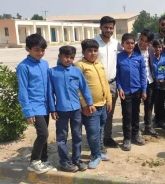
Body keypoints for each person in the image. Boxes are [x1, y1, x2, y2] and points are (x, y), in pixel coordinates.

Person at [48, 46, 94, 172]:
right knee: (62, 136)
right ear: (59, 57)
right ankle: (64, 161)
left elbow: (84, 88)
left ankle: (76, 159)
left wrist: (90, 103)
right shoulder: (52, 72)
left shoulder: (76, 71)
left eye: (71, 58)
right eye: (66, 57)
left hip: (76, 109)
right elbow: (50, 93)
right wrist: (52, 109)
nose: (68, 60)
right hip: (61, 109)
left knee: (77, 135)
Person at [16, 34, 56, 174]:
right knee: (43, 134)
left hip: (44, 106)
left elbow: (49, 87)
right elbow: (23, 90)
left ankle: (43, 160)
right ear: (28, 49)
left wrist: (52, 107)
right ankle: (34, 162)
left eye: (42, 50)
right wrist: (28, 111)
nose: (40, 53)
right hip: (34, 107)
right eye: (36, 50)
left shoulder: (44, 64)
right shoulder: (23, 67)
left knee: (44, 135)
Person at [75, 39, 112, 169]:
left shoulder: (99, 64)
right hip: (91, 107)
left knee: (101, 129)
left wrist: (109, 100)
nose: (93, 53)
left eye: (95, 50)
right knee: (93, 132)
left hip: (102, 105)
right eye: (89, 51)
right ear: (83, 52)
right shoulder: (79, 66)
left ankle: (99, 152)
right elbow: (77, 88)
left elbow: (105, 84)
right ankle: (95, 155)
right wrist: (84, 104)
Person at [116, 33, 147, 151]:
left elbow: (143, 76)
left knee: (136, 114)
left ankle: (135, 135)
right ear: (123, 44)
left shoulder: (138, 58)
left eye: (132, 43)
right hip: (125, 91)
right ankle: (127, 138)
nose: (130, 45)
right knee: (127, 115)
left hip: (137, 90)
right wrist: (120, 88)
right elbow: (117, 75)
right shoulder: (119, 57)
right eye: (127, 43)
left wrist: (143, 90)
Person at [94, 16, 121, 149]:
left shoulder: (116, 44)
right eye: (106, 27)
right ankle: (96, 140)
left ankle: (107, 137)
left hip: (112, 83)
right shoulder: (94, 43)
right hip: (97, 85)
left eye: (111, 28)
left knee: (109, 112)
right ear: (101, 27)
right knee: (97, 113)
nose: (108, 30)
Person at [134, 29, 164, 134]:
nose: (142, 42)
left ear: (150, 43)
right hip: (137, 83)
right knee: (136, 106)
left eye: (146, 41)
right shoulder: (133, 49)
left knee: (149, 105)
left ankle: (148, 126)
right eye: (141, 39)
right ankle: (136, 129)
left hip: (150, 81)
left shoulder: (151, 50)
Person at [152, 40, 165, 127]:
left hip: (163, 84)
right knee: (155, 102)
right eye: (156, 47)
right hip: (154, 84)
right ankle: (156, 119)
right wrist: (154, 78)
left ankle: (162, 120)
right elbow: (148, 71)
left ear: (162, 48)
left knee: (162, 102)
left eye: (159, 47)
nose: (158, 49)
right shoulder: (150, 59)